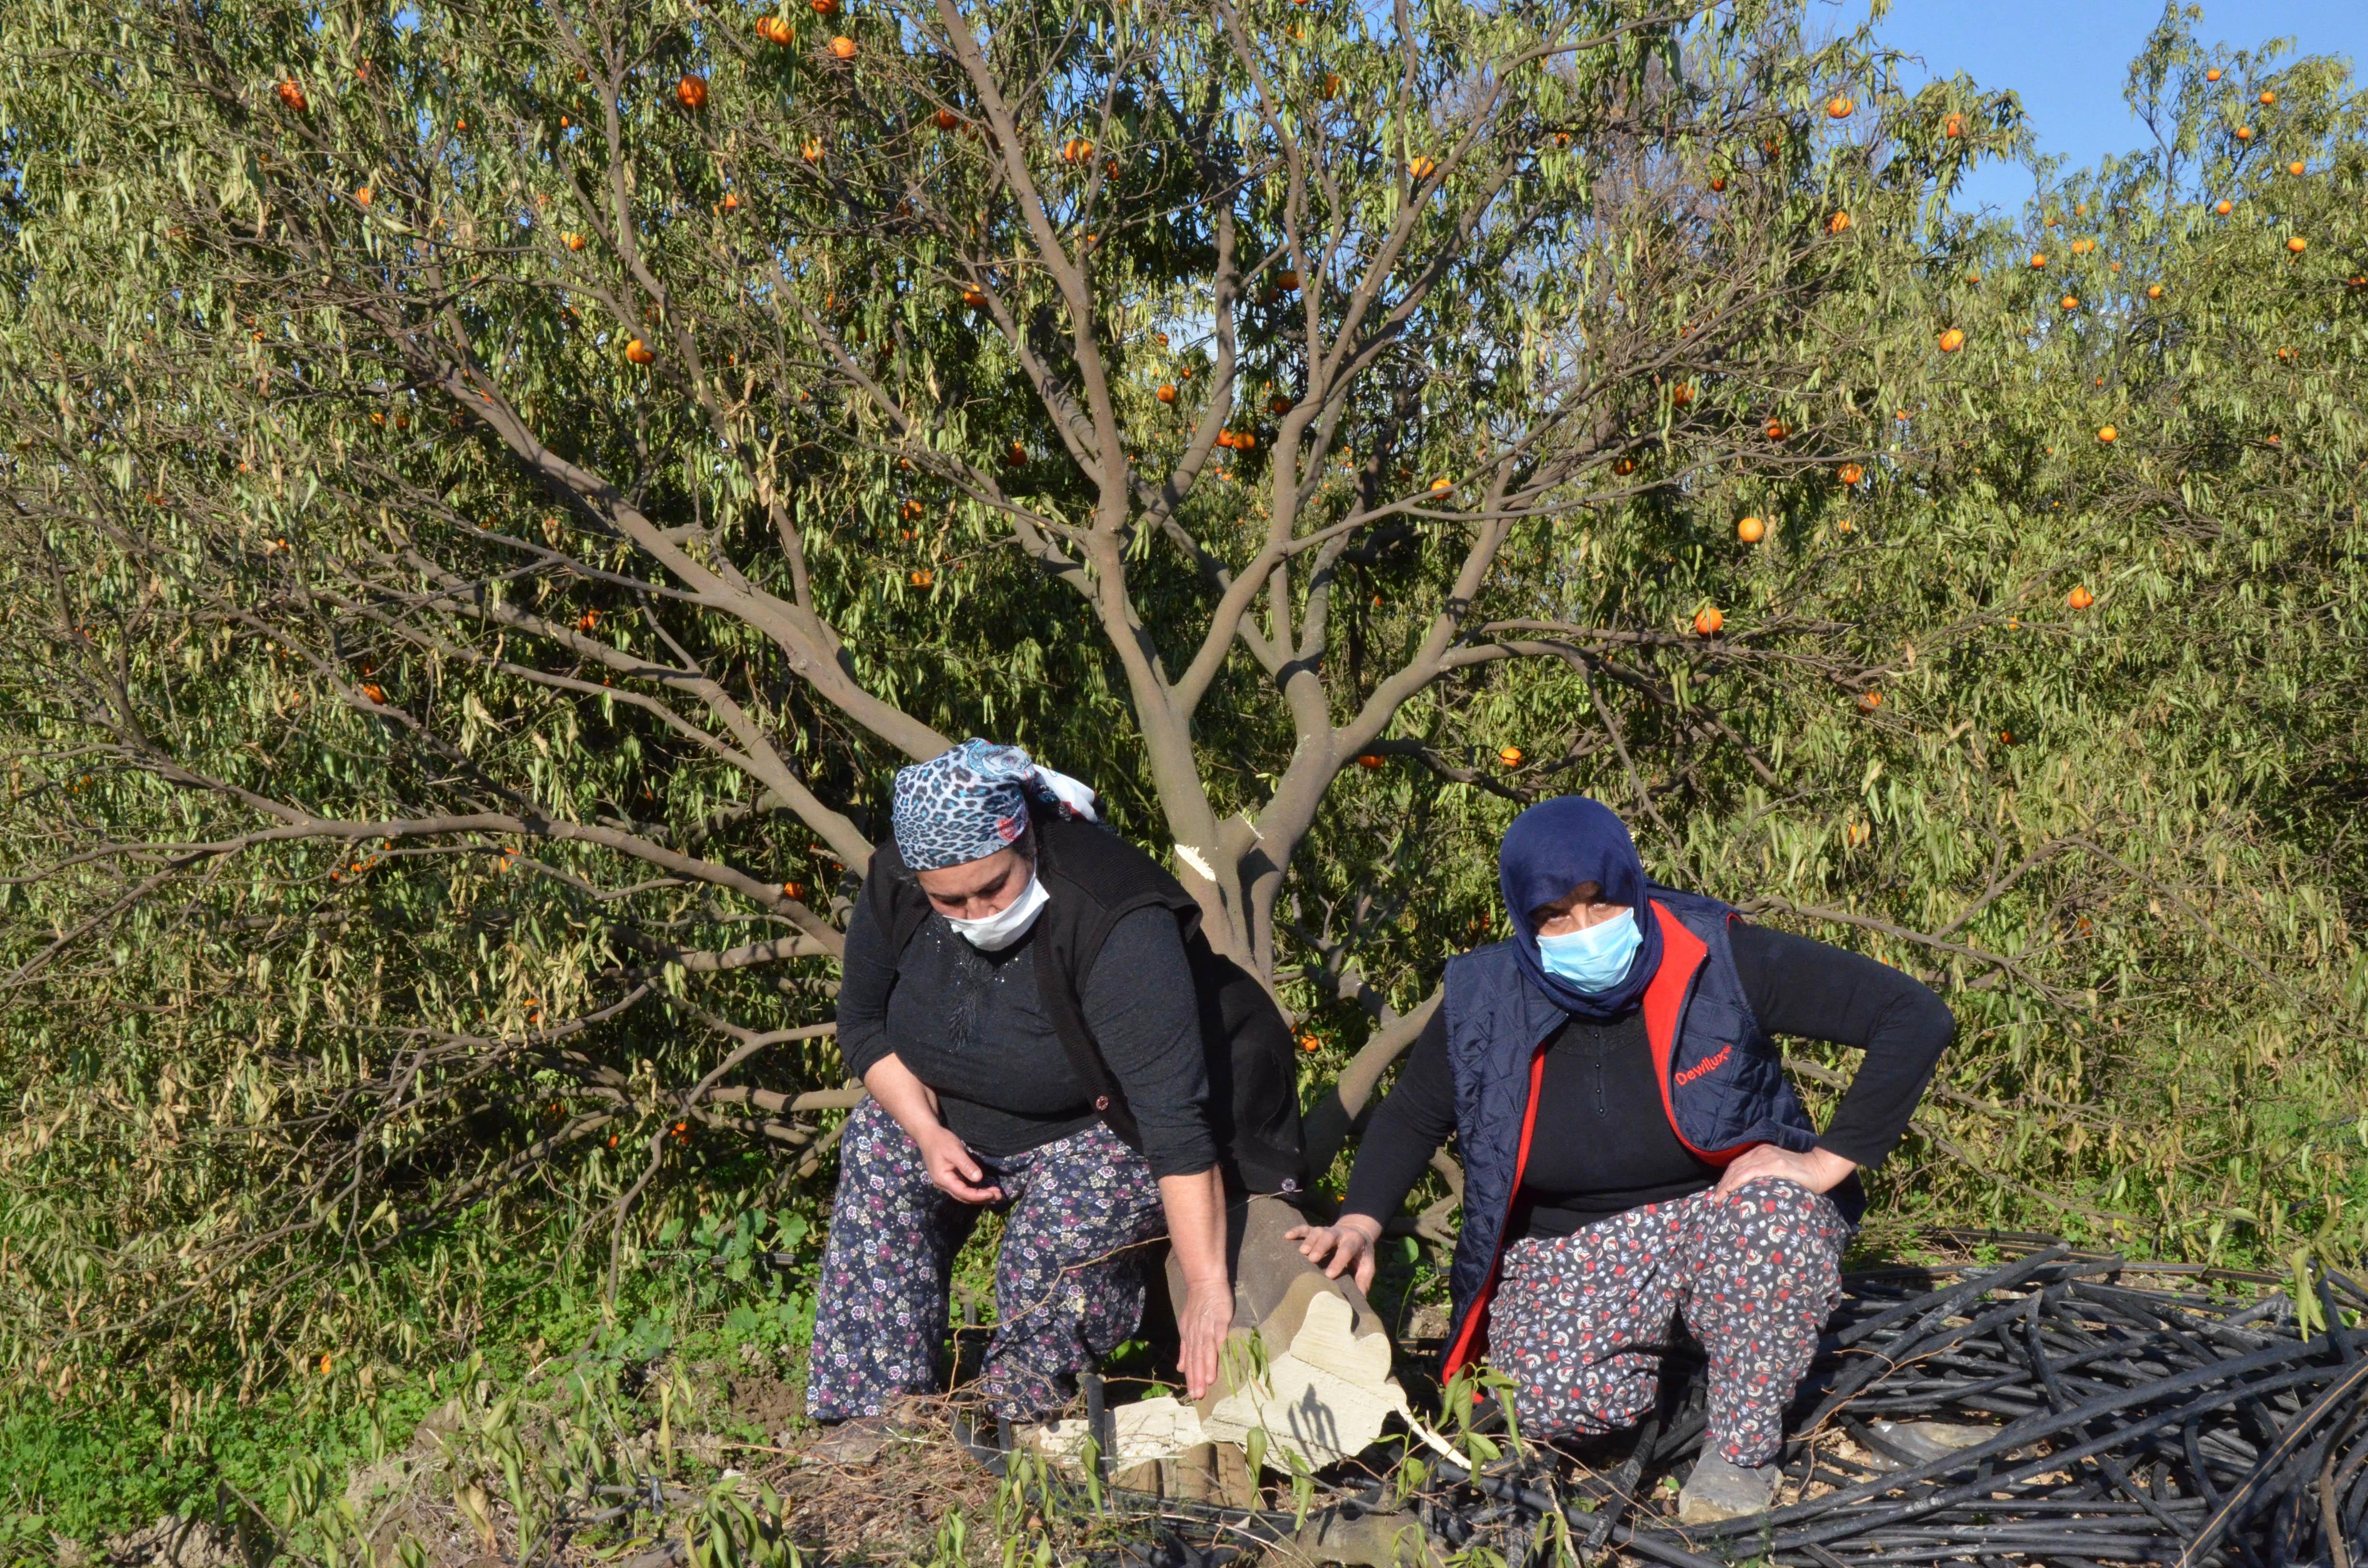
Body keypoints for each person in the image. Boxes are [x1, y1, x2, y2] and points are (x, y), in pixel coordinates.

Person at [1288, 797, 1953, 1521]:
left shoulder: (1719, 957)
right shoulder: (1483, 997)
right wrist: (1359, 1220)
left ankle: (1740, 1451)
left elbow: (1912, 1015)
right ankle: (1691, 1362)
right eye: (1554, 915)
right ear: (1522, 917)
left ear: (1632, 887)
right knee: (1547, 1406)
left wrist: (1826, 1162)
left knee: (1776, 1224)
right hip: (1573, 1240)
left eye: (1600, 902)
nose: (1584, 931)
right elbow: (1415, 1113)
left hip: (1718, 1213)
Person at [807, 740, 1305, 1454]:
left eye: (995, 887)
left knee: (1052, 1255)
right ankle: (876, 1416)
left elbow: (1172, 1119)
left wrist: (1207, 1286)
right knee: (877, 1148)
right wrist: (925, 1130)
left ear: (1025, 839)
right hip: (955, 1118)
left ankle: (1028, 1417)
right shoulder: (895, 879)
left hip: (1104, 1129)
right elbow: (861, 1026)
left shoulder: (1114, 915)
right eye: (951, 899)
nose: (977, 910)